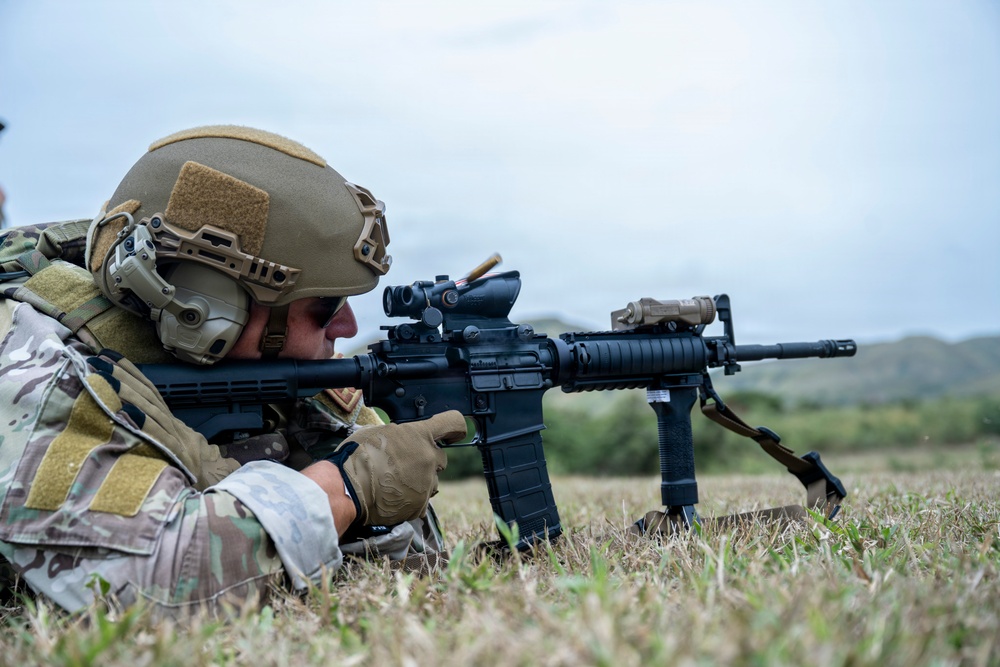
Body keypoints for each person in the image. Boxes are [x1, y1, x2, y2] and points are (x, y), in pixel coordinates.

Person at [0, 125, 466, 614]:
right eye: (327, 305)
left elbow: (401, 548)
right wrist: (343, 491)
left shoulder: (262, 367)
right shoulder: (27, 361)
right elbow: (153, 588)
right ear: (205, 305)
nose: (347, 326)